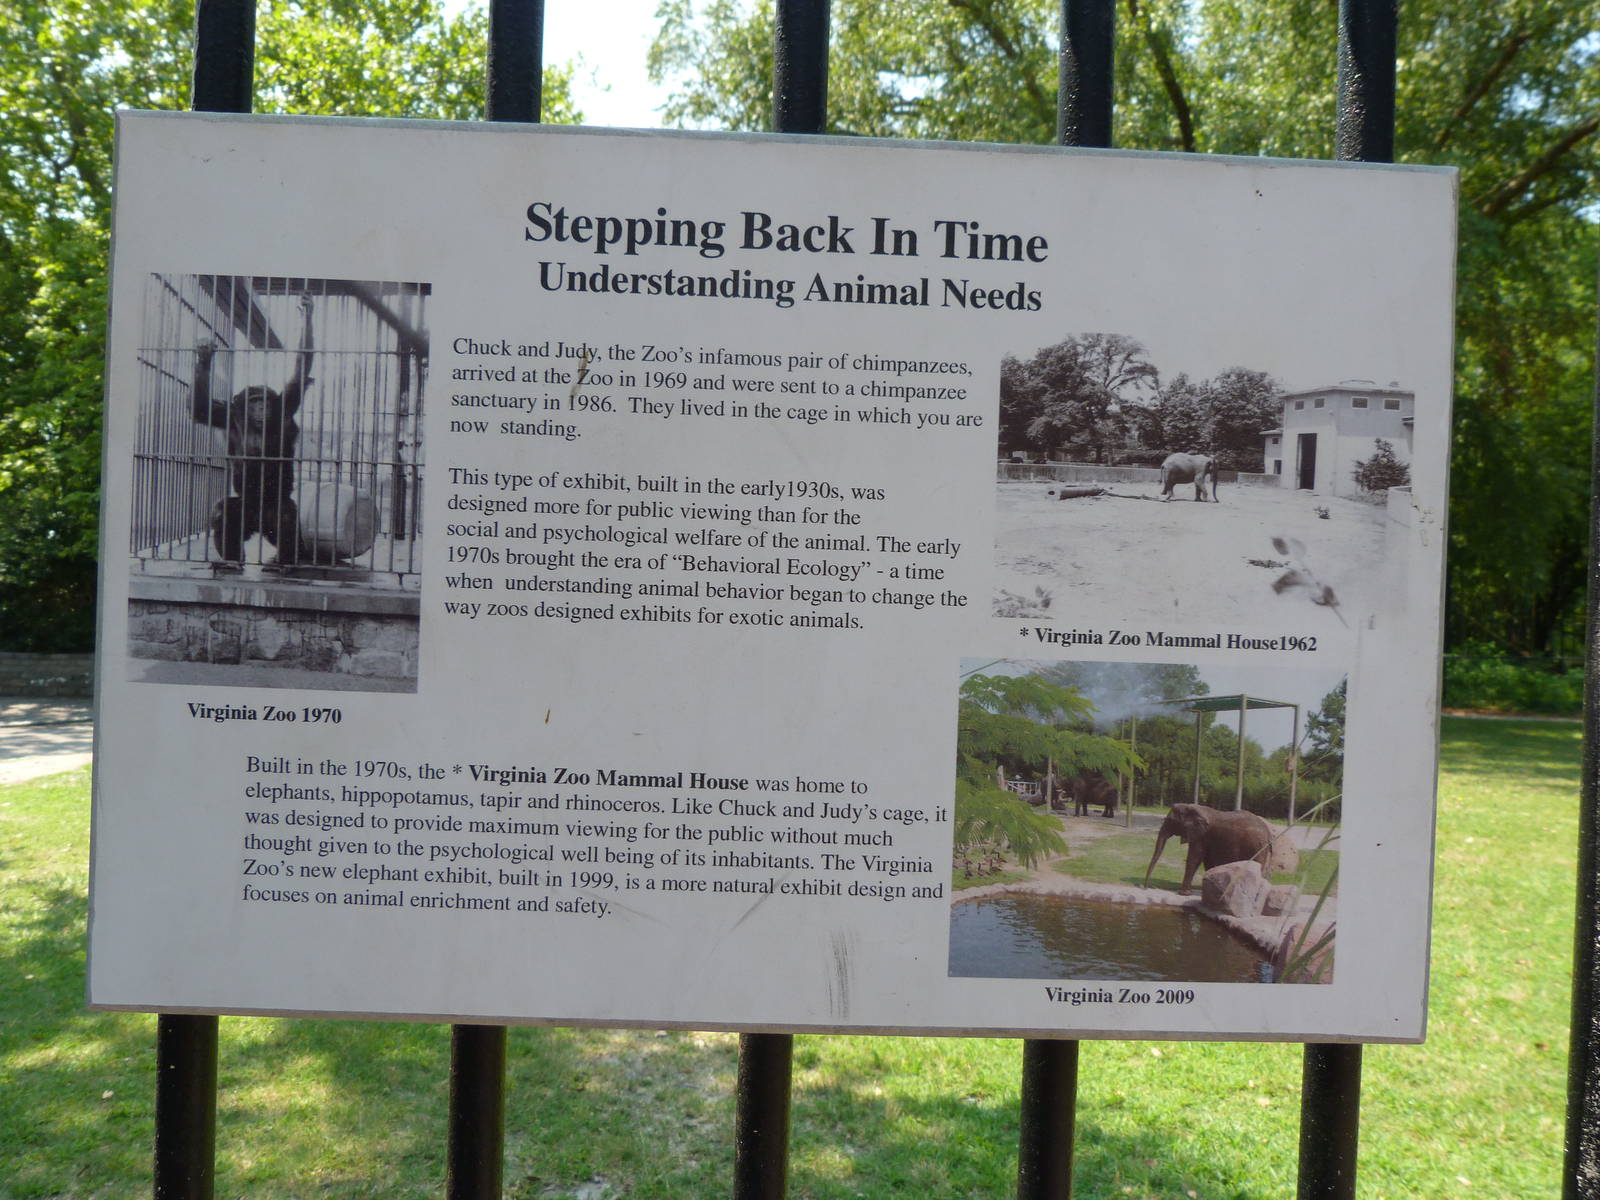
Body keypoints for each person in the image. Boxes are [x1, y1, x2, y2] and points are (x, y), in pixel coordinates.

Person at [191, 294, 315, 564]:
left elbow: (301, 369)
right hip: (245, 502)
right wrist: (203, 364)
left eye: (265, 404)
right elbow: (198, 410)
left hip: (277, 505)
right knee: (222, 511)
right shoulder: (234, 417)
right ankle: (233, 560)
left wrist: (307, 320)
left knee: (286, 516)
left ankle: (287, 561)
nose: (261, 410)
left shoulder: (282, 412)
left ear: (275, 405)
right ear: (243, 408)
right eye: (255, 405)